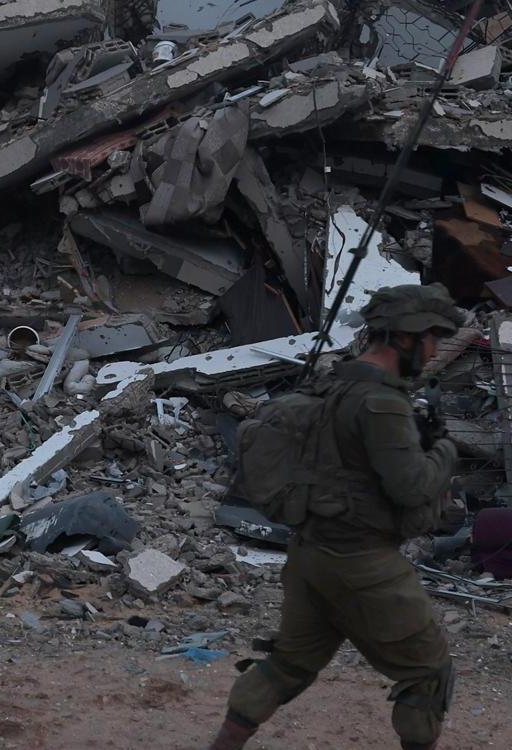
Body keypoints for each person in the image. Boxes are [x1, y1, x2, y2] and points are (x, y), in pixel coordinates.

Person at [209, 284, 464, 750]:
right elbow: (412, 486)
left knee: (288, 665)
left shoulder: (334, 383)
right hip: (361, 562)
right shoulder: (382, 402)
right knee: (428, 673)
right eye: (433, 339)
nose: (433, 353)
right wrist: (445, 450)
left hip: (310, 557)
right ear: (408, 338)